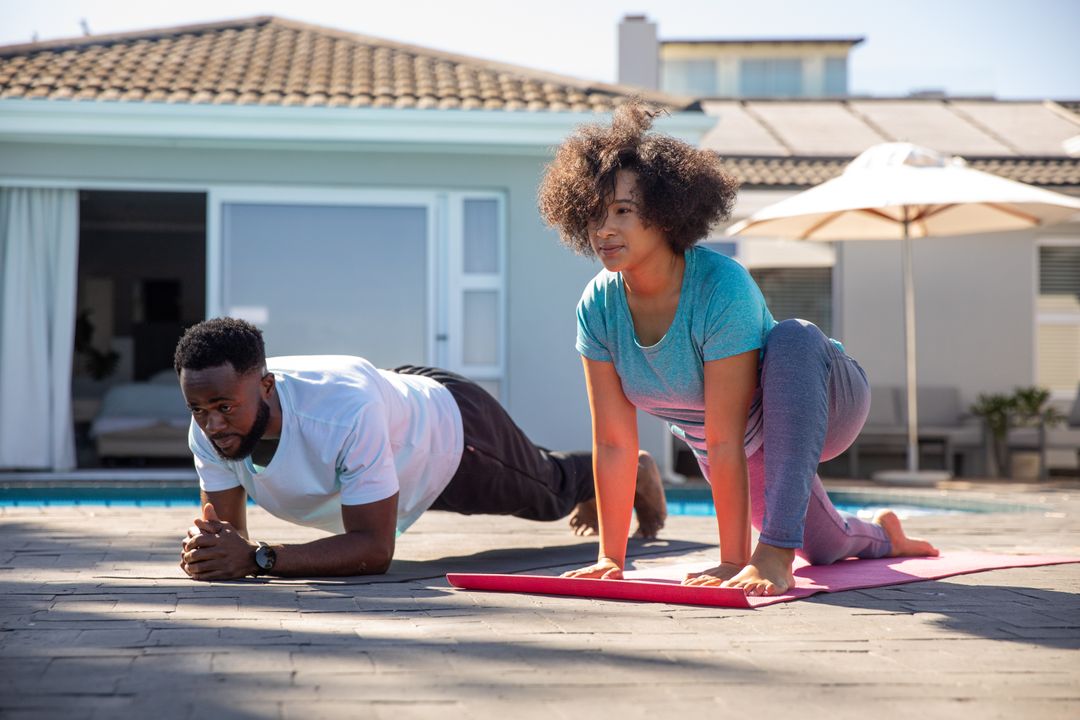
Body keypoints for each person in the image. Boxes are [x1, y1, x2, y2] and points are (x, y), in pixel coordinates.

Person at [538, 101, 937, 597]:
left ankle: (774, 552)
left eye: (623, 211)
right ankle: (884, 533)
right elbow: (616, 444)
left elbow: (725, 437)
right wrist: (609, 559)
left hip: (824, 393)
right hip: (741, 443)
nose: (604, 229)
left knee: (792, 336)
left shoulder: (720, 286)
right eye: (595, 214)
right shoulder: (598, 305)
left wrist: (734, 561)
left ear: (664, 215)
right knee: (823, 545)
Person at [175, 317, 666, 581]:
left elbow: (373, 549)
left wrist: (260, 559)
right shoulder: (210, 424)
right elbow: (227, 539)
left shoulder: (340, 413)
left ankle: (636, 471)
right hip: (395, 416)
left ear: (265, 385)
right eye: (198, 409)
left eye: (223, 407)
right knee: (539, 471)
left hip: (453, 435)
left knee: (549, 492)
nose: (212, 424)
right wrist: (213, 553)